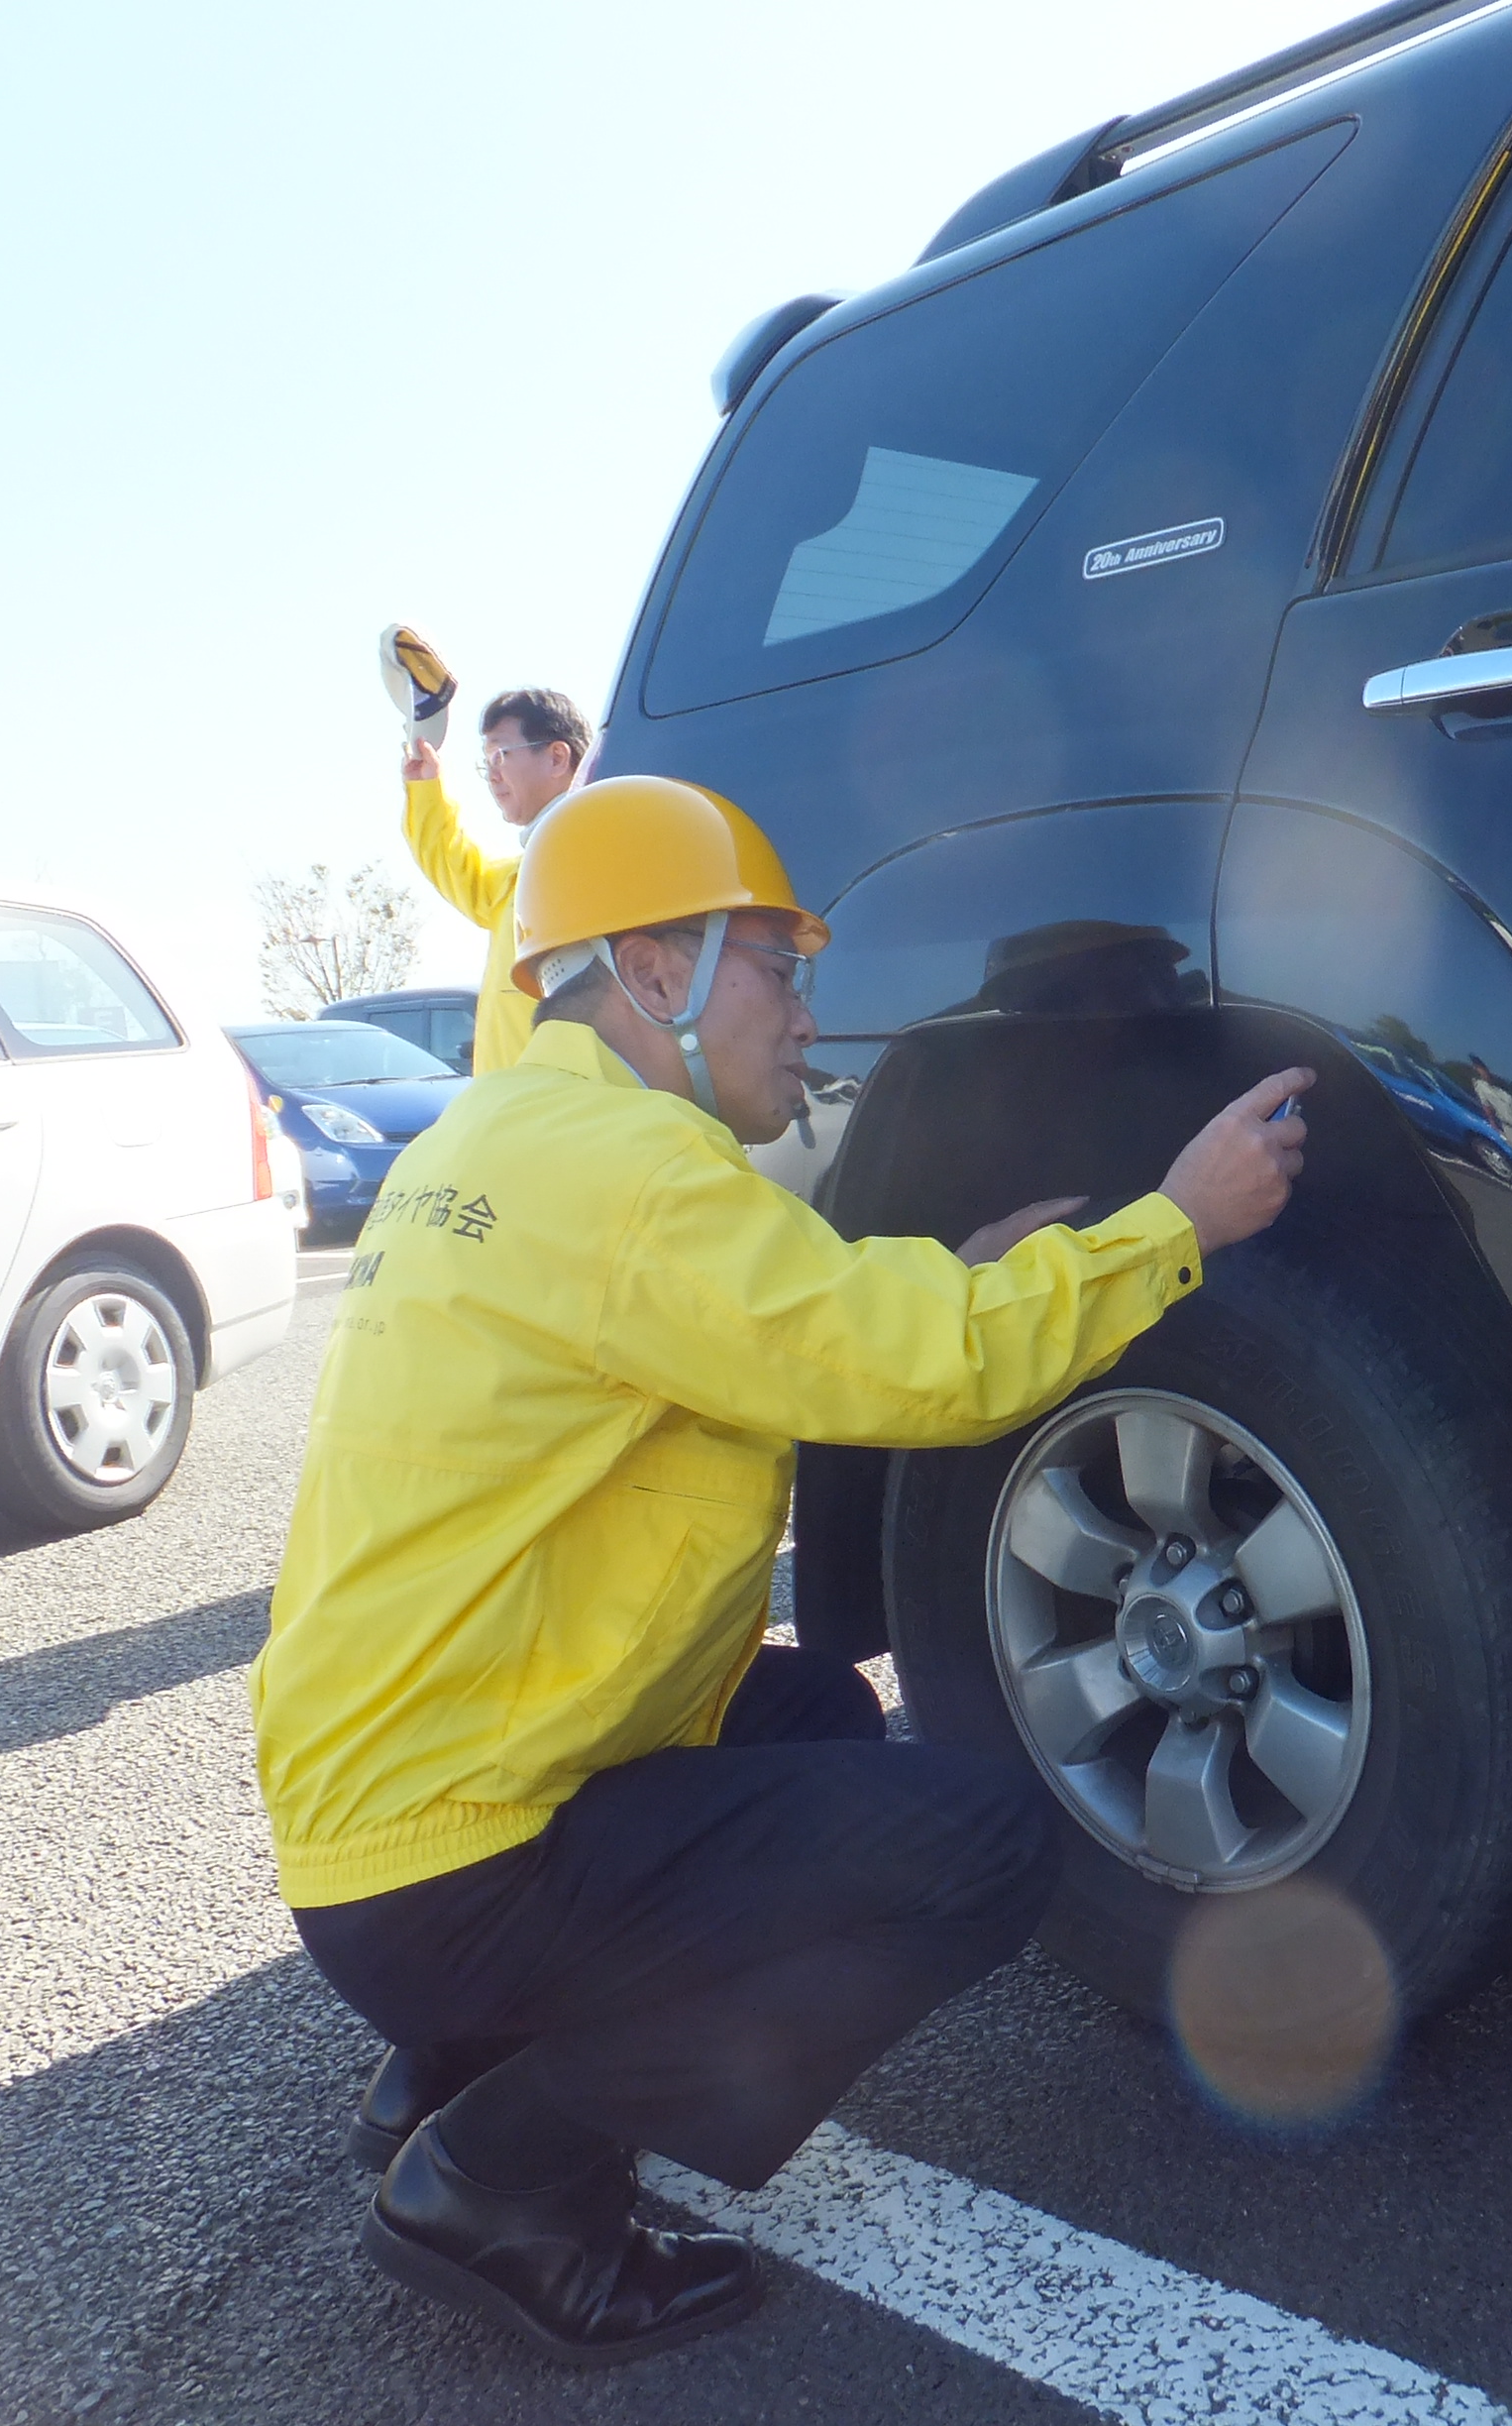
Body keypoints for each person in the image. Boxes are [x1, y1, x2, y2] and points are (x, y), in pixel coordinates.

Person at [251, 772, 1315, 2368]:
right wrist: (1173, 1219)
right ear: (656, 971)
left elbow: (755, 1334)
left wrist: (948, 1279)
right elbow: (916, 1370)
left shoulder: (515, 1134)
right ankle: (496, 2177)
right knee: (977, 1848)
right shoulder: (629, 1177)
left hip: (388, 1806)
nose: (808, 1015)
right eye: (778, 966)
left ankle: (449, 2059)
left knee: (811, 1709)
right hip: (449, 1857)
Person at [400, 687, 589, 1074]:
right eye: (486, 761)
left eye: (501, 754)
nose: (492, 775)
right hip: (521, 1113)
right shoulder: (522, 875)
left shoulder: (600, 849)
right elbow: (454, 866)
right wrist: (426, 787)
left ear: (557, 757)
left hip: (565, 1114)